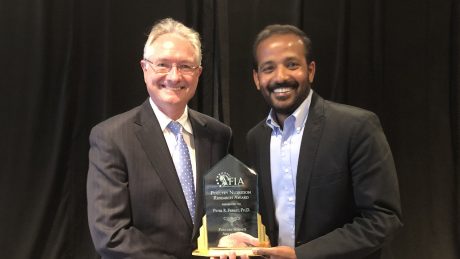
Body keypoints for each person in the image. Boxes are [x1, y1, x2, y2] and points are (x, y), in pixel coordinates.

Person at [243, 24, 403, 258]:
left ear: (311, 70)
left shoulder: (356, 127)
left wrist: (302, 255)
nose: (281, 77)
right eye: (268, 68)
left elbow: (383, 219)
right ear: (257, 78)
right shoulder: (255, 138)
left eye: (292, 65)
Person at [87, 18, 232, 259]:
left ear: (198, 73)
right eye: (163, 65)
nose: (174, 77)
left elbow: (226, 209)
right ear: (145, 69)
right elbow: (110, 235)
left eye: (186, 66)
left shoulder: (218, 135)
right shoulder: (111, 137)